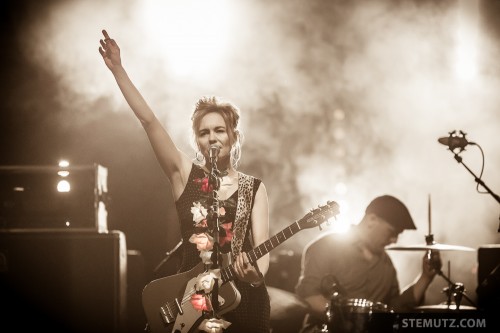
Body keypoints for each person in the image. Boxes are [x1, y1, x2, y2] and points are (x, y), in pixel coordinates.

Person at [98, 30, 270, 333]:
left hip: (245, 303)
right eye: (204, 133)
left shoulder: (253, 188)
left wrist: (254, 276)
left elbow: (263, 257)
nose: (212, 137)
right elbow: (149, 122)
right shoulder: (184, 175)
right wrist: (118, 70)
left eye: (220, 130)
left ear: (234, 136)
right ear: (198, 141)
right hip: (191, 302)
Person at [295, 195, 441, 333]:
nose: (394, 240)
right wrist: (349, 319)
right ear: (372, 220)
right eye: (392, 232)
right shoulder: (326, 246)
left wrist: (425, 278)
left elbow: (393, 310)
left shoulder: (387, 264)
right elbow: (309, 296)